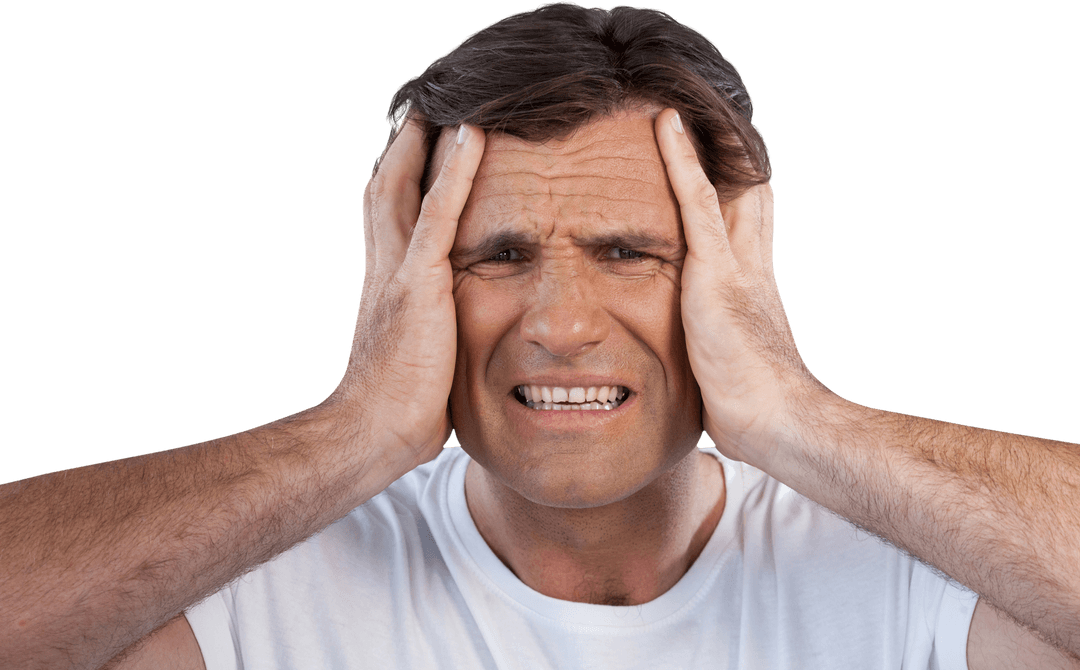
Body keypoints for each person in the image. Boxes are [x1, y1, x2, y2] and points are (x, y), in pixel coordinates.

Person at [1, 3, 1078, 669]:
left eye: (629, 252)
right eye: (498, 256)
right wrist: (353, 433)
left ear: (732, 273)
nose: (560, 325)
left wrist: (801, 419)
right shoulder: (251, 590)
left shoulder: (912, 570)